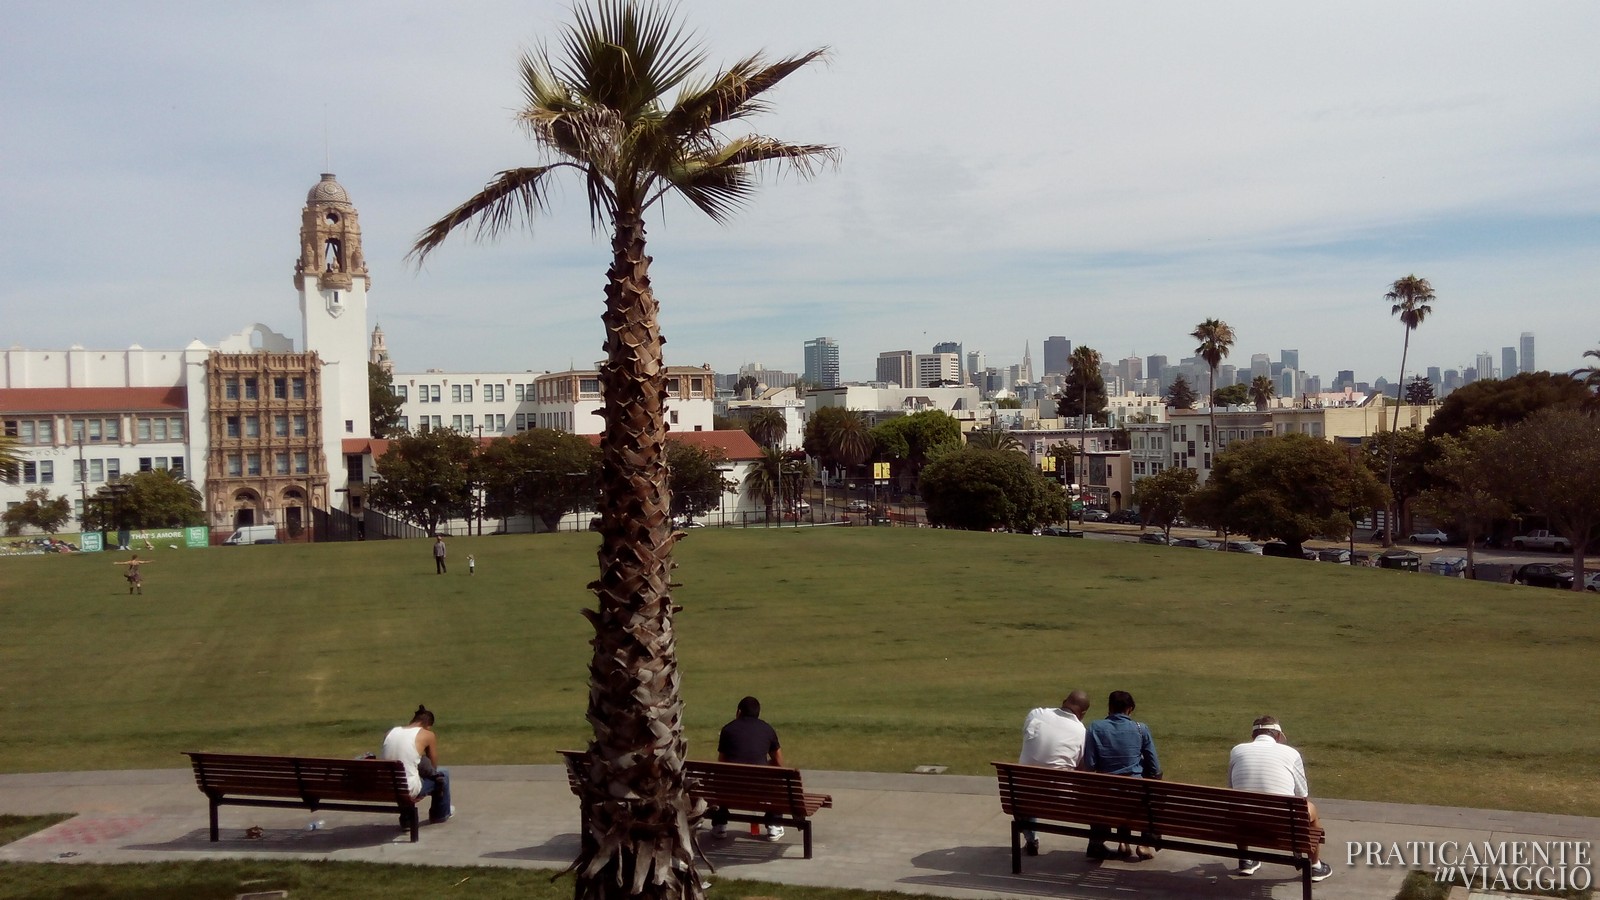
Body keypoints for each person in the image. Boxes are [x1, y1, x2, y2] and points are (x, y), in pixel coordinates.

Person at [1228, 716, 1332, 883]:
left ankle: (1245, 860)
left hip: (1245, 821)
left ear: (1254, 735)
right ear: (1277, 736)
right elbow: (1302, 794)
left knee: (1239, 803)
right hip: (1283, 824)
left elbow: (1232, 788)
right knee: (1309, 807)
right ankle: (1315, 865)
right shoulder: (1291, 753)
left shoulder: (1237, 750)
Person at [1082, 690, 1162, 860]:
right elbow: (1155, 768)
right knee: (1152, 792)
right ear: (1130, 709)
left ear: (1109, 708)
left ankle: (1120, 841)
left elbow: (1090, 765)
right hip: (1134, 793)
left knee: (1108, 791)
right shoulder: (1141, 729)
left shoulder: (1095, 727)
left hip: (1106, 795)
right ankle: (1145, 842)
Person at [1016, 689, 1090, 856]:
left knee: (1030, 782)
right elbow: (1081, 768)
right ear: (1083, 713)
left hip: (1021, 795)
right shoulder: (1081, 732)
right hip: (1061, 801)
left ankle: (1031, 837)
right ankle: (1096, 843)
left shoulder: (1036, 714)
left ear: (1064, 701)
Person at [710, 696, 784, 841]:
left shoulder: (728, 729)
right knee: (779, 779)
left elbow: (722, 763)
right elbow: (780, 763)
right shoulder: (767, 729)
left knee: (719, 779)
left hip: (733, 789)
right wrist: (766, 765)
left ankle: (720, 824)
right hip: (760, 789)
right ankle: (773, 824)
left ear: (738, 712)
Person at [380, 704, 453, 824]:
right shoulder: (427, 734)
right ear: (428, 726)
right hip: (408, 789)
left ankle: (406, 818)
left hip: (386, 786)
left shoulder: (390, 733)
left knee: (402, 777)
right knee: (443, 774)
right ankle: (440, 814)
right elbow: (433, 767)